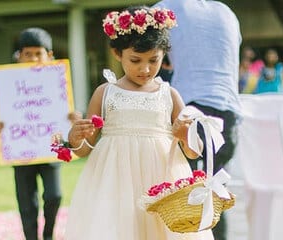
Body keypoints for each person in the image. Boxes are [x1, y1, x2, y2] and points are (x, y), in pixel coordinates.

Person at [64, 6, 214, 240]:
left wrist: (186, 136)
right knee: (122, 229)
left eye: (153, 60)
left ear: (164, 55)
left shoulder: (170, 94)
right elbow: (85, 148)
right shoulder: (104, 94)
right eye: (135, 60)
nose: (145, 69)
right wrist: (75, 139)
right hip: (115, 179)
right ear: (117, 53)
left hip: (161, 177)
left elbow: (194, 153)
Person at [153, 1, 242, 239]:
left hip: (189, 108)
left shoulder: (168, 7)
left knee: (184, 193)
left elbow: (151, 48)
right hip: (228, 113)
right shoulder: (227, 11)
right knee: (215, 195)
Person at [0, 27, 71, 240]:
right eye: (28, 54)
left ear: (49, 55)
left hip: (51, 148)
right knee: (27, 202)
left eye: (38, 53)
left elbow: (65, 110)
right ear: (19, 56)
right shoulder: (7, 82)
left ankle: (48, 235)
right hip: (21, 149)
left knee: (54, 195)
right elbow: (1, 116)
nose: (33, 58)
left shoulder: (58, 80)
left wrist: (71, 117)